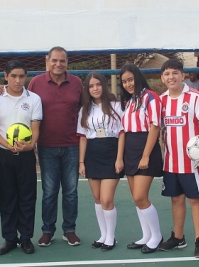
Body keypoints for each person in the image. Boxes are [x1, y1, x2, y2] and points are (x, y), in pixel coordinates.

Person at [158, 59, 199, 258]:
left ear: (182, 75)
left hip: (193, 162)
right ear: (162, 78)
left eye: (175, 73)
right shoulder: (161, 100)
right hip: (171, 161)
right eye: (167, 74)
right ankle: (178, 237)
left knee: (194, 199)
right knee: (176, 199)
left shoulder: (195, 97)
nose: (171, 77)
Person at [28, 46, 83, 247]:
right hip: (46, 146)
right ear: (47, 61)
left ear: (67, 62)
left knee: (71, 192)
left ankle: (69, 230)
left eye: (62, 61)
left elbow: (86, 108)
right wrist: (1, 89)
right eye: (55, 60)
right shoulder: (35, 83)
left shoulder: (77, 83)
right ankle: (47, 231)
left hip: (72, 145)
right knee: (49, 191)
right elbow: (24, 104)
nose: (58, 64)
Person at [0, 60, 42, 255]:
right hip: (3, 154)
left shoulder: (34, 99)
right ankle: (10, 238)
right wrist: (7, 145)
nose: (18, 80)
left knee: (27, 197)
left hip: (26, 155)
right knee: (6, 198)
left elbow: (35, 128)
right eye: (13, 76)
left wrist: (30, 146)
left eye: (21, 76)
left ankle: (26, 238)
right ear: (6, 76)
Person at [77, 72, 125, 251]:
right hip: (92, 155)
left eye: (98, 84)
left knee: (106, 199)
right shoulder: (84, 109)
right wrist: (81, 162)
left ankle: (111, 237)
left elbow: (122, 133)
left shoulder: (116, 106)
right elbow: (82, 137)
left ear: (104, 86)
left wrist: (119, 158)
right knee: (97, 199)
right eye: (91, 86)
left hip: (111, 153)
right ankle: (103, 235)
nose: (95, 88)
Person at [120, 63, 163, 254]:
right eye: (124, 82)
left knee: (140, 196)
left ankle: (157, 236)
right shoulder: (129, 101)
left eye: (130, 79)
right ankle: (146, 236)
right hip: (130, 149)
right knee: (136, 199)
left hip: (145, 148)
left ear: (138, 77)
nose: (128, 84)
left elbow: (155, 126)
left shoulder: (150, 97)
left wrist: (146, 155)